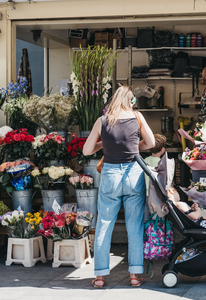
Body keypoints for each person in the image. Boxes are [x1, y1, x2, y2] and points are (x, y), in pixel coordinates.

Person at [83, 86, 155, 288]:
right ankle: (134, 276)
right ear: (130, 101)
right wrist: (133, 146)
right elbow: (150, 142)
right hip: (134, 173)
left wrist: (102, 145)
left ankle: (99, 277)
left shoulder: (103, 120)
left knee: (104, 224)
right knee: (134, 226)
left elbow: (87, 150)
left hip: (110, 175)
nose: (134, 104)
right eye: (133, 101)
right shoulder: (137, 117)